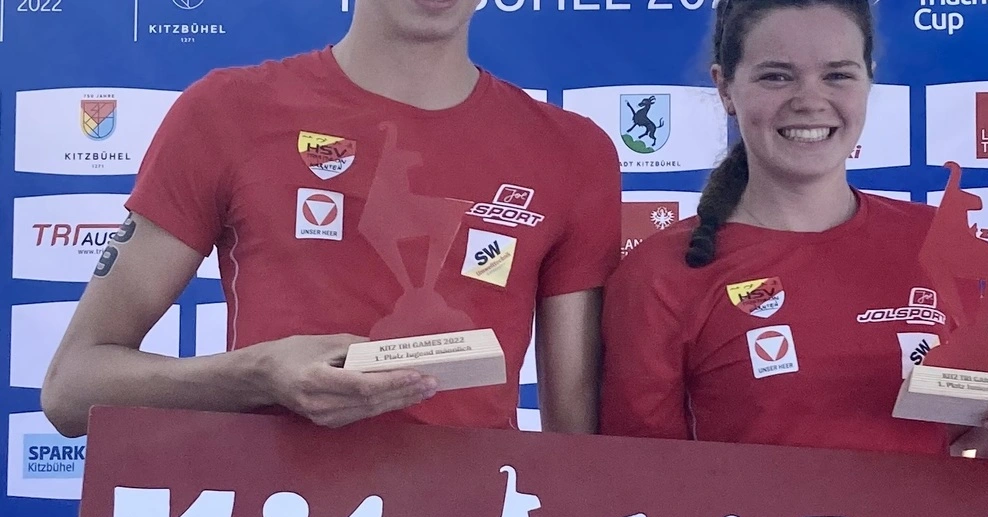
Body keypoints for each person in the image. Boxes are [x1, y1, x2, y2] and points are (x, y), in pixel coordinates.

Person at [41, 0, 621, 438]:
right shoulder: (228, 112)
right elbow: (72, 388)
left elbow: (576, 450)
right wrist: (255, 375)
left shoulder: (572, 152)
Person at [597, 0, 988, 462]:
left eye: (837, 75)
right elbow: (645, 481)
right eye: (776, 76)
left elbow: (960, 445)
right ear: (725, 88)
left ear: (868, 79)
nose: (810, 101)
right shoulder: (661, 273)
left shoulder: (931, 238)